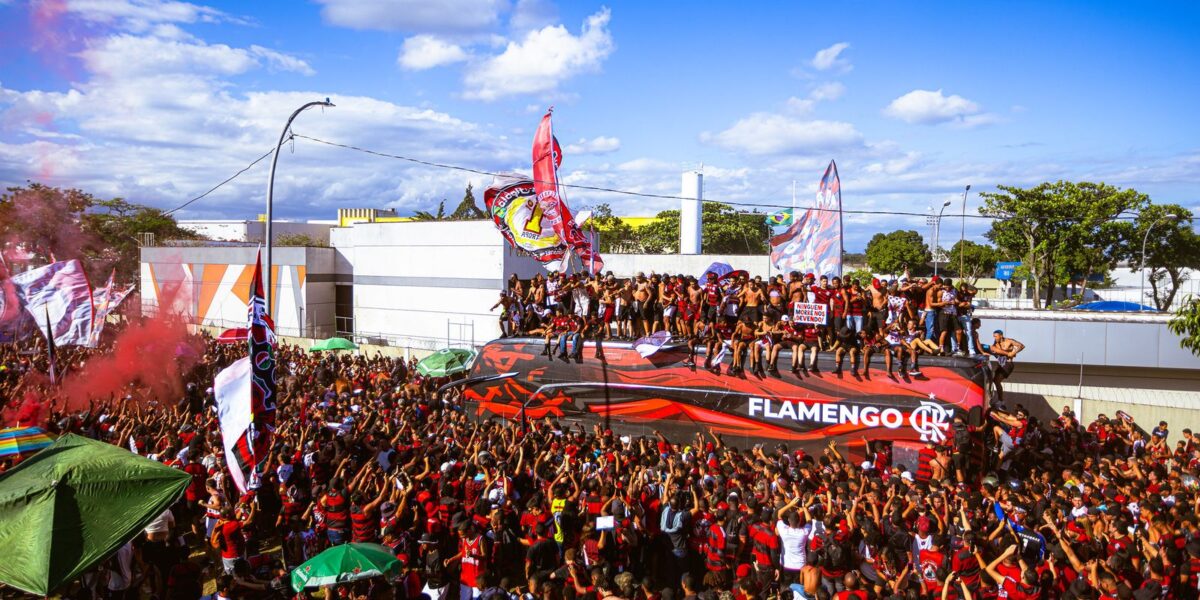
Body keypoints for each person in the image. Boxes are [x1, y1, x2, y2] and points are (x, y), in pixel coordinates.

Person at [988, 330, 1025, 404]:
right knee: (994, 381)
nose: (995, 338)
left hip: (1007, 364)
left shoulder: (1009, 341)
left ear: (1001, 335)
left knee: (997, 381)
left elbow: (1021, 346)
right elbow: (994, 352)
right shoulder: (996, 344)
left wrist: (1014, 352)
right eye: (994, 336)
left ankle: (1001, 400)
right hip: (1000, 365)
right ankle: (998, 399)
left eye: (996, 336)